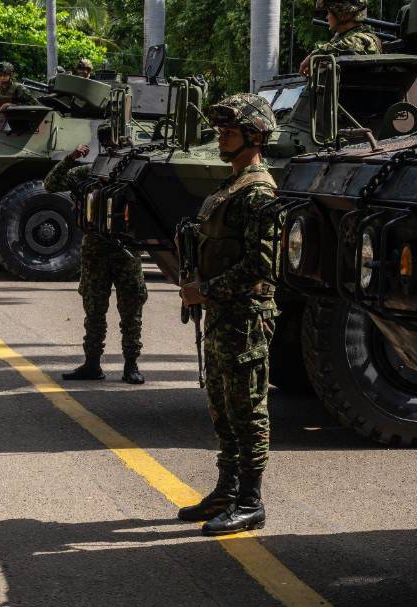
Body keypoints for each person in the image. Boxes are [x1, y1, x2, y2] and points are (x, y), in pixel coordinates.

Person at [177, 93, 280, 536]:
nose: (221, 135)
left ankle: (250, 501)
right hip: (224, 313)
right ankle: (227, 489)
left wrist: (208, 289)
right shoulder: (231, 185)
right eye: (221, 129)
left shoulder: (257, 192)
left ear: (254, 137)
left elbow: (263, 265)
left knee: (247, 409)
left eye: (230, 130)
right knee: (222, 406)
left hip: (245, 315)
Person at [44, 144, 147, 384]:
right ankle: (92, 364)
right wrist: (70, 158)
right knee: (94, 310)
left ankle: (131, 365)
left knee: (131, 311)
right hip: (95, 251)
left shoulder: (136, 174)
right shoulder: (87, 173)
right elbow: (51, 184)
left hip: (127, 252)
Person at [298, 0, 382, 77]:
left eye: (329, 13)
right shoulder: (342, 38)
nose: (327, 17)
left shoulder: (365, 40)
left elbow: (350, 46)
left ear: (342, 14)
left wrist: (314, 55)